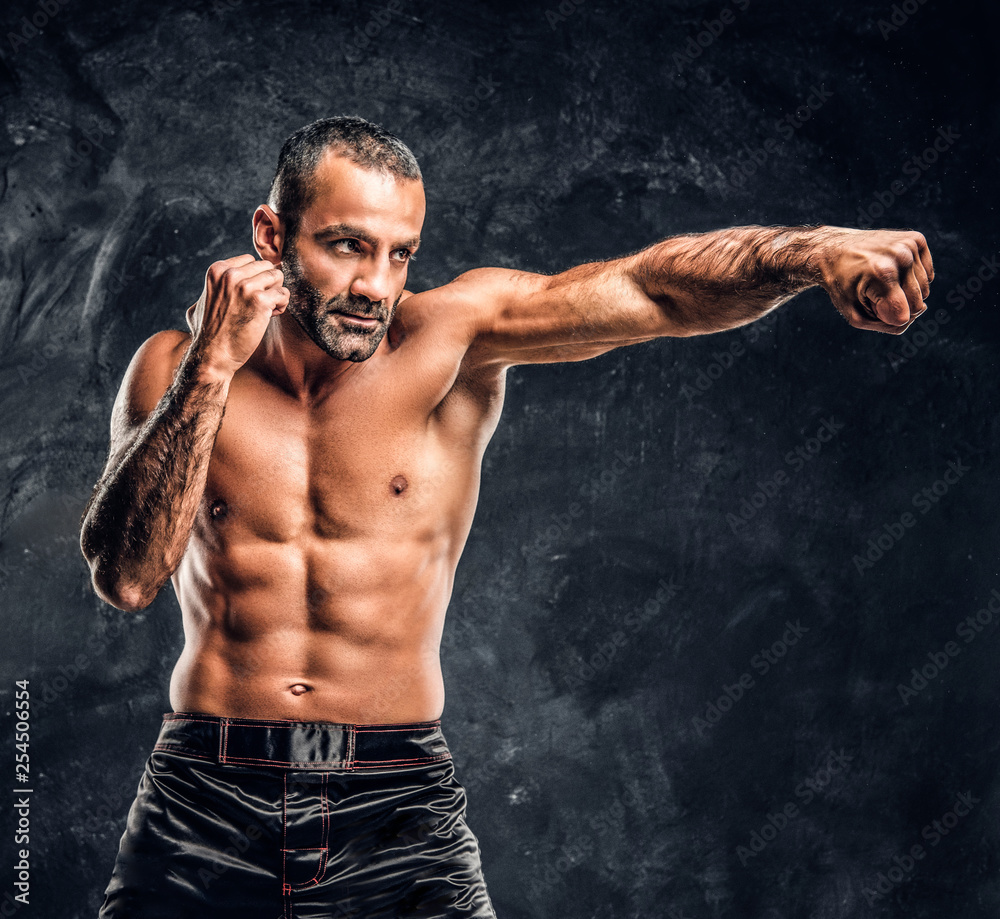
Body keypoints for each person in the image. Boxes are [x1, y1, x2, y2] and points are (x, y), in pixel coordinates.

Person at [80, 115, 933, 918]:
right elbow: (126, 576)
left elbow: (651, 292)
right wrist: (211, 371)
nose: (374, 286)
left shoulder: (453, 338)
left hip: (396, 803)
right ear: (271, 238)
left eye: (399, 254)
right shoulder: (175, 365)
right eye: (346, 247)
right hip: (205, 798)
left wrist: (813, 251)